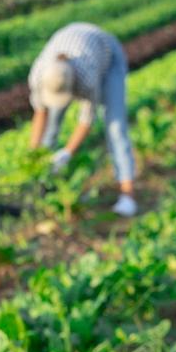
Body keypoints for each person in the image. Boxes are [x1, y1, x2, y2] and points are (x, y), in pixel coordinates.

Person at [27, 22, 138, 217]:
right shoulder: (40, 74)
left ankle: (127, 194)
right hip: (74, 42)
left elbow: (86, 121)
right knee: (51, 130)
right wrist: (34, 156)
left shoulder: (87, 77)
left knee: (115, 128)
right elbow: (40, 113)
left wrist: (67, 152)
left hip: (108, 56)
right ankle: (42, 189)